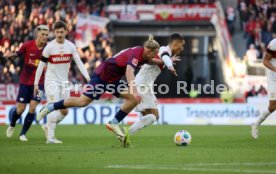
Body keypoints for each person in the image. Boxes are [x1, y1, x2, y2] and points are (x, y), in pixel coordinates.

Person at [36, 34, 161, 145]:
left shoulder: (145, 54)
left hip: (113, 79)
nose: (155, 55)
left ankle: (113, 122)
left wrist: (166, 61)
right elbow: (129, 71)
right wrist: (134, 90)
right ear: (149, 50)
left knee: (133, 100)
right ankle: (50, 107)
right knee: (82, 102)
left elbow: (151, 61)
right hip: (102, 75)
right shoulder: (137, 54)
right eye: (155, 53)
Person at [122, 33, 185, 146]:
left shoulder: (164, 52)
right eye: (182, 45)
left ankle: (126, 135)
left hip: (145, 85)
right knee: (153, 116)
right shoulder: (165, 50)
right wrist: (170, 65)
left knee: (151, 116)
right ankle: (126, 132)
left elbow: (162, 58)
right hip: (142, 85)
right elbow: (164, 56)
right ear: (176, 44)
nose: (182, 48)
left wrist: (169, 61)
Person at [34, 21, 90, 144]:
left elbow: (79, 62)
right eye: (57, 32)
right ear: (54, 32)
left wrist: (88, 77)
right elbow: (40, 66)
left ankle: (48, 126)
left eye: (61, 32)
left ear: (66, 31)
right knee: (53, 107)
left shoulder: (70, 46)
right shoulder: (49, 47)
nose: (59, 34)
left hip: (64, 82)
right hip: (51, 81)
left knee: (65, 111)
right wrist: (36, 83)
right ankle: (50, 137)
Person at [5, 25, 49, 141]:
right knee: (20, 109)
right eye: (42, 34)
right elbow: (18, 54)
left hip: (39, 83)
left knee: (33, 107)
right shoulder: (27, 45)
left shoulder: (48, 49)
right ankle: (12, 124)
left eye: (46, 35)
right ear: (37, 35)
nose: (44, 37)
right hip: (25, 82)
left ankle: (22, 134)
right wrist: (11, 56)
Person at [251, 38, 276, 139]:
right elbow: (265, 61)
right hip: (273, 78)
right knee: (273, 106)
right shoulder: (274, 43)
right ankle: (256, 124)